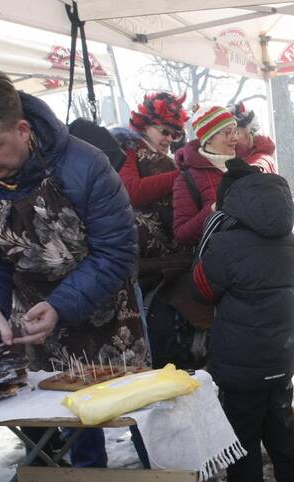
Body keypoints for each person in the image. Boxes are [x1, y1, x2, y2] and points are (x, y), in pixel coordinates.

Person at [0, 66, 149, 467]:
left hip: (106, 301)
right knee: (64, 412)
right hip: (28, 305)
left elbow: (116, 250)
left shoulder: (85, 165)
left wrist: (63, 304)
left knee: (135, 409)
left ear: (22, 129)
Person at [192, 159, 294, 482]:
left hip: (237, 363)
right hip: (280, 357)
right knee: (283, 429)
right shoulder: (291, 241)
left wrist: (208, 239)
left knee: (241, 444)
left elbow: (204, 289)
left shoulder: (226, 243)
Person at [111, 92, 205, 369]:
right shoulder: (127, 148)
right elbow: (131, 191)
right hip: (141, 255)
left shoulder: (157, 155)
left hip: (165, 250)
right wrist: (183, 175)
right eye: (164, 131)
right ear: (144, 124)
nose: (168, 139)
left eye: (175, 134)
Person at [172, 105, 239, 248]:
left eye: (235, 132)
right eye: (227, 133)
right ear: (208, 138)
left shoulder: (242, 167)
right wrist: (212, 210)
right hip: (218, 259)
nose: (235, 138)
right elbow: (182, 235)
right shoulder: (186, 179)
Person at [228, 101, 278, 173]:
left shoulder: (261, 162)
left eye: (236, 132)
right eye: (227, 133)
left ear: (250, 131)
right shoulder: (241, 157)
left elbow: (255, 172)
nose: (232, 138)